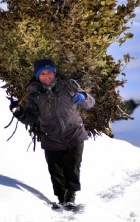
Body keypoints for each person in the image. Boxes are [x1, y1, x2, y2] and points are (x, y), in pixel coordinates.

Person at [9, 58, 95, 210]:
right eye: (43, 73)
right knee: (55, 171)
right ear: (37, 76)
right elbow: (31, 118)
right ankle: (61, 198)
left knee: (73, 166)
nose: (47, 76)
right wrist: (18, 112)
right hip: (51, 136)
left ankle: (70, 196)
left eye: (50, 72)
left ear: (54, 73)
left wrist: (83, 97)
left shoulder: (69, 85)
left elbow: (90, 103)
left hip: (74, 132)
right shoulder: (33, 94)